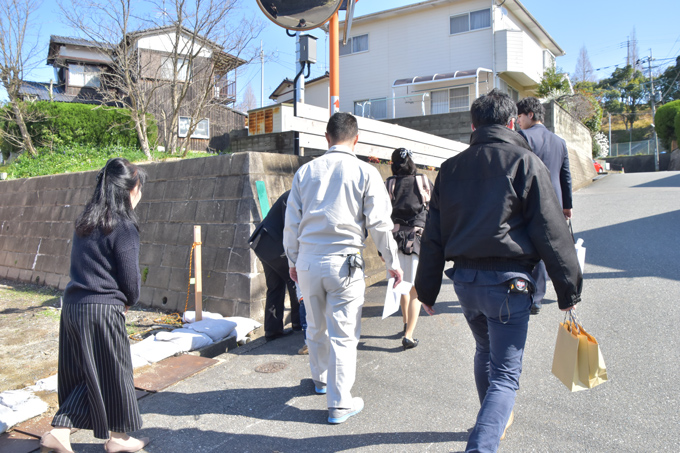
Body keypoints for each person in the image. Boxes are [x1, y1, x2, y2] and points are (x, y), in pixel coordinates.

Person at [415, 89, 582, 452]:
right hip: (509, 285)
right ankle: (483, 442)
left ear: (473, 125)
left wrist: (426, 291)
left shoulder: (450, 168)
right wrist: (568, 290)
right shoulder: (524, 162)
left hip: (466, 285)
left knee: (483, 352)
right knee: (505, 375)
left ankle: (492, 417)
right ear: (511, 123)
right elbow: (552, 233)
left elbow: (433, 237)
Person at [283, 112, 403, 424]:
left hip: (308, 259)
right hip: (346, 261)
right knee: (343, 334)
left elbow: (291, 223)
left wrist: (293, 260)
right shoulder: (365, 172)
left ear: (327, 138)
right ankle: (339, 403)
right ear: (356, 138)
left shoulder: (305, 172)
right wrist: (392, 261)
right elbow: (378, 223)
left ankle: (321, 379)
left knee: (315, 325)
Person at [42, 158, 149, 453]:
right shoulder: (123, 226)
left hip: (74, 307)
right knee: (115, 372)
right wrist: (129, 301)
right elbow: (130, 280)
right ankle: (118, 438)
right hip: (102, 309)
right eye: (138, 187)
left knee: (87, 373)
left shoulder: (85, 222)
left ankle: (61, 432)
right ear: (129, 190)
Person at [516, 97, 574, 315]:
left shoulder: (522, 137)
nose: (518, 121)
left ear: (530, 115)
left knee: (531, 247)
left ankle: (532, 294)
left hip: (532, 201)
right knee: (551, 246)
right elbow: (565, 175)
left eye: (520, 116)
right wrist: (567, 205)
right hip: (556, 202)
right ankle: (541, 295)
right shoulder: (560, 141)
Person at [384, 148, 434, 350]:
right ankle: (409, 335)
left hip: (394, 241)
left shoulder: (389, 184)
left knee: (401, 284)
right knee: (415, 290)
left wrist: (381, 250)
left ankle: (406, 324)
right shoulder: (423, 181)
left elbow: (381, 216)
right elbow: (434, 211)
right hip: (417, 240)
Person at [249, 190, 301, 341]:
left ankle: (273, 331)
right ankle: (298, 324)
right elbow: (292, 228)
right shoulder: (295, 196)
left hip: (263, 244)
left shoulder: (294, 193)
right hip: (273, 244)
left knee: (275, 286)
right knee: (295, 280)